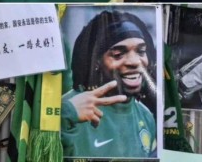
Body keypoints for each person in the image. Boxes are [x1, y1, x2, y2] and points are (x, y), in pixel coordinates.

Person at [61, 10, 157, 158]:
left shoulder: (145, 116)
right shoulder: (70, 108)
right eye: (118, 54)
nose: (135, 62)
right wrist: (65, 113)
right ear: (96, 61)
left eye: (141, 51)